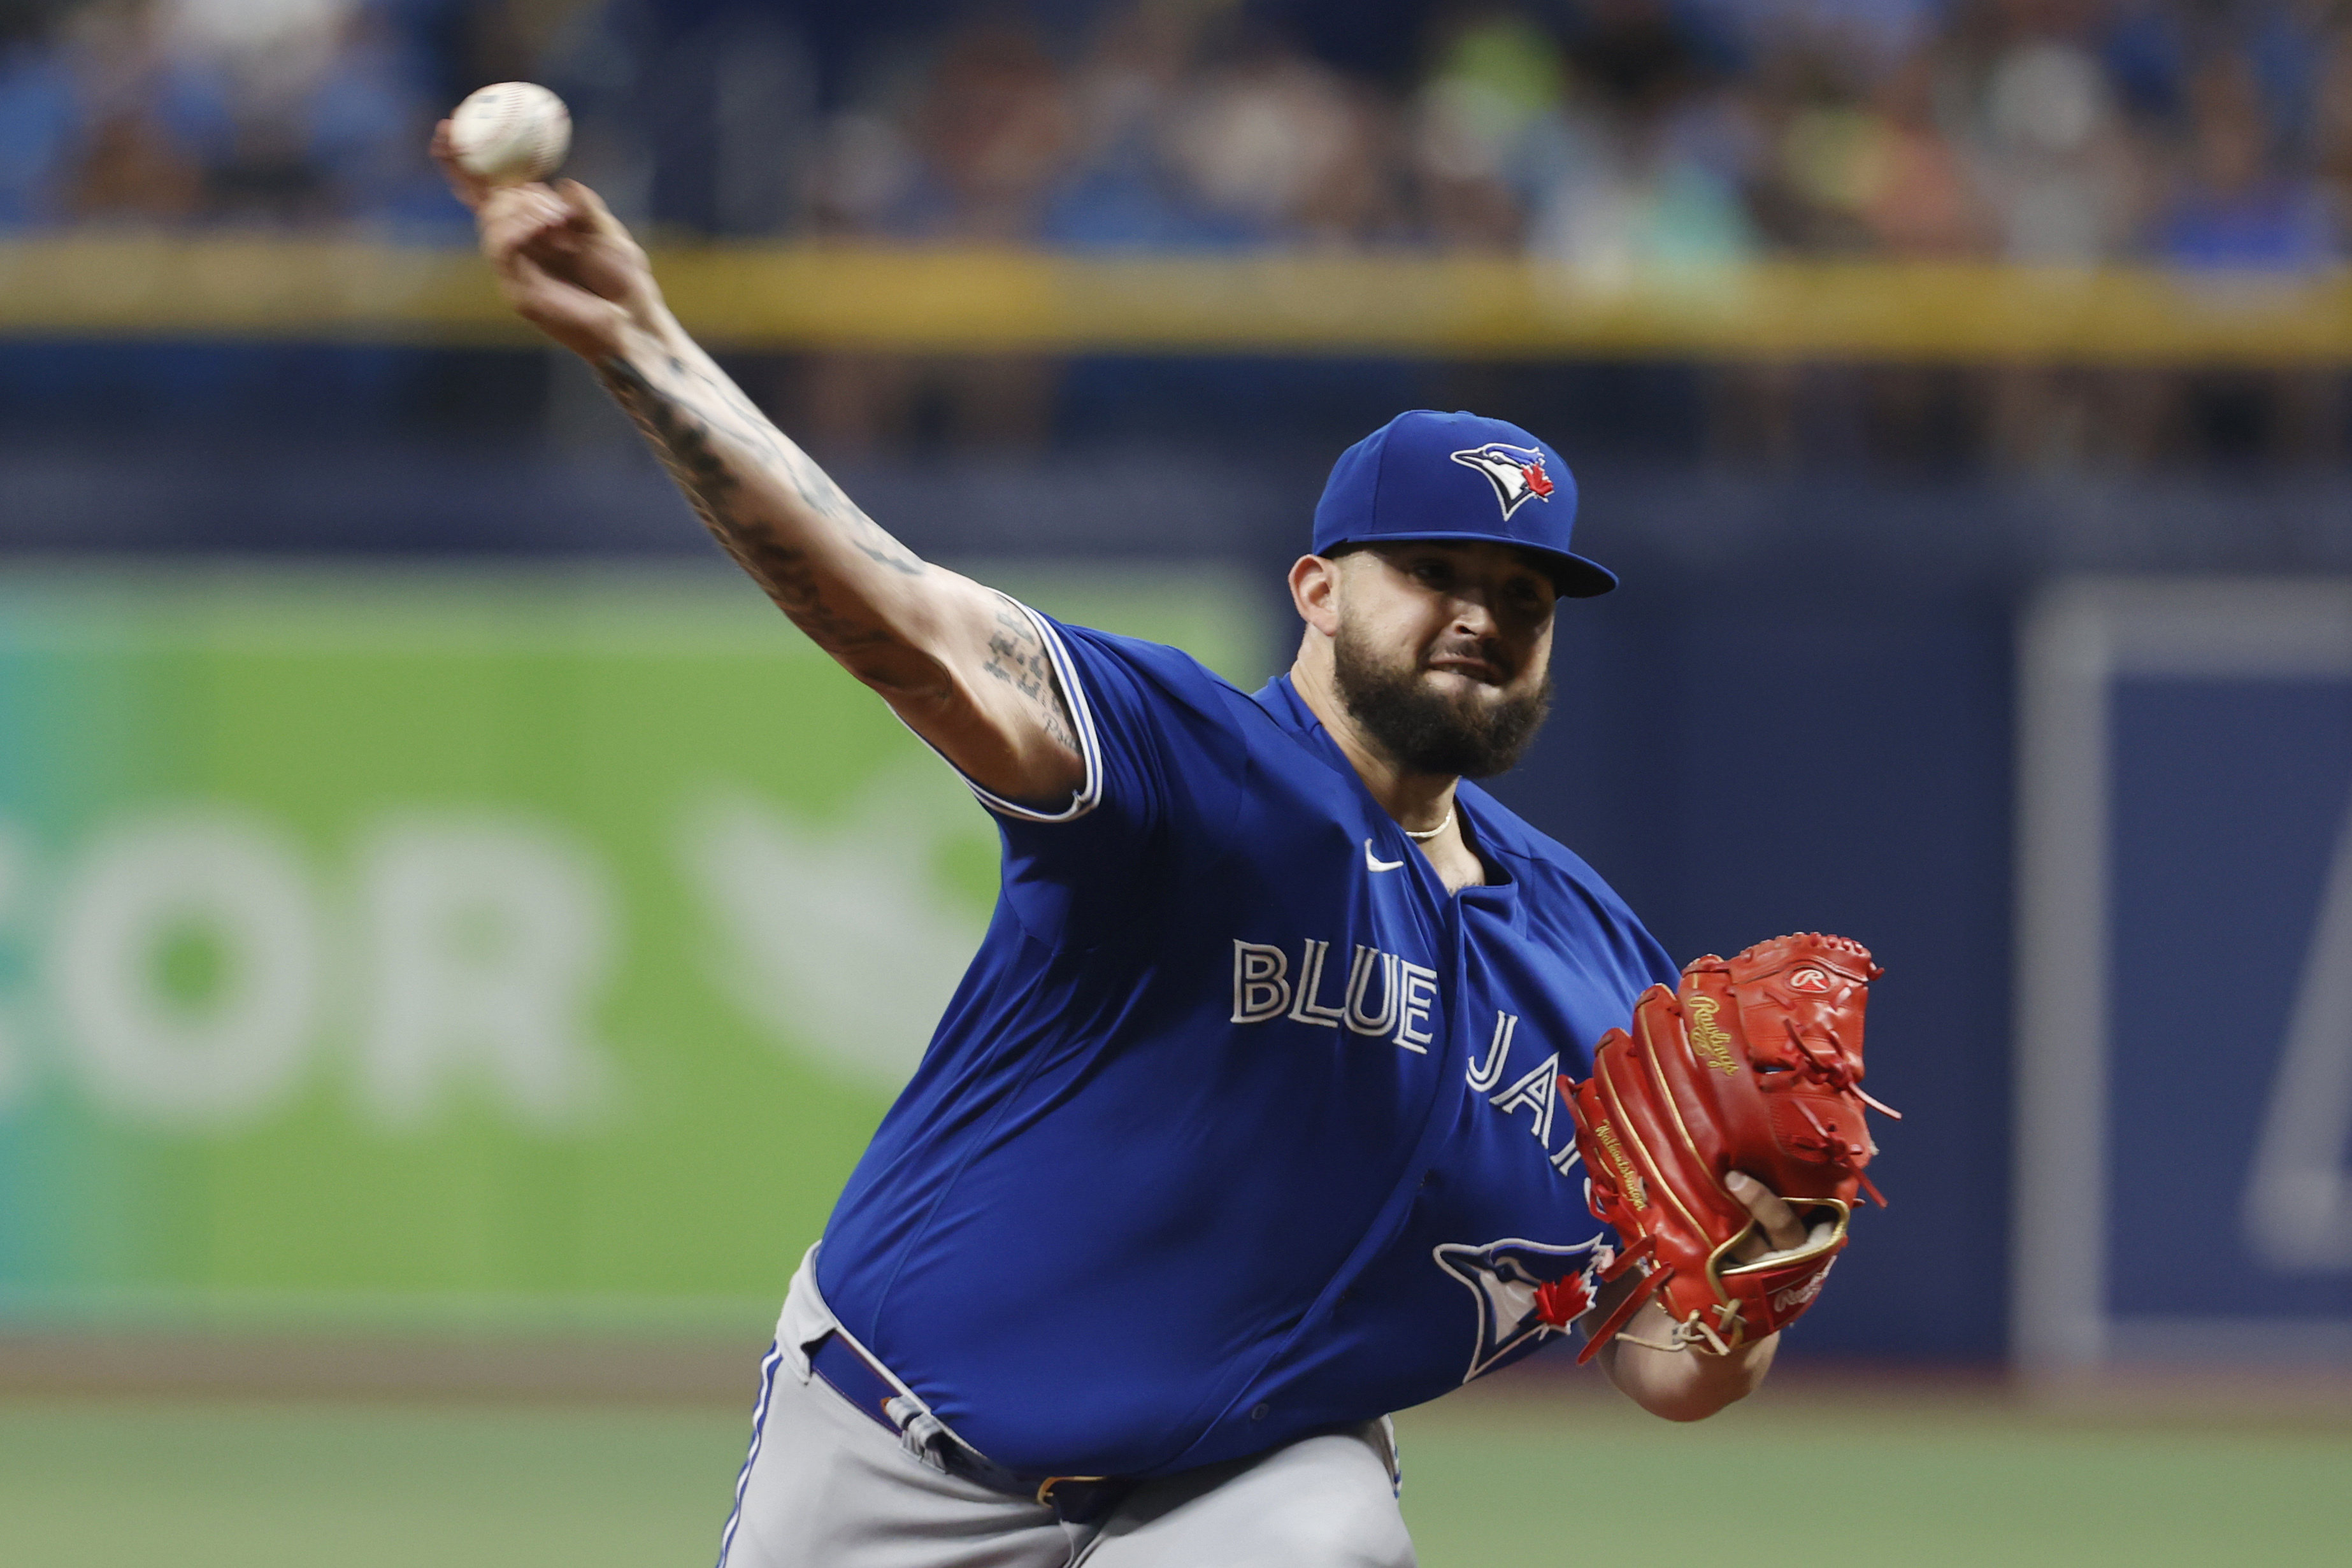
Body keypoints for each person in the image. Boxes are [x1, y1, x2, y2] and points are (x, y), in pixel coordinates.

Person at [434, 129, 1821, 1568]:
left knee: (1325, 1541)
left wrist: (1760, 1281)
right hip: (901, 1444)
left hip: (1238, 1490)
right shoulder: (1194, 770)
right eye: (1431, 572)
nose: (1478, 614)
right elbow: (902, 625)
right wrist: (643, 344)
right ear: (1317, 591)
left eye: (1522, 596)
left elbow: (1665, 1364)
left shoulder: (1605, 968)